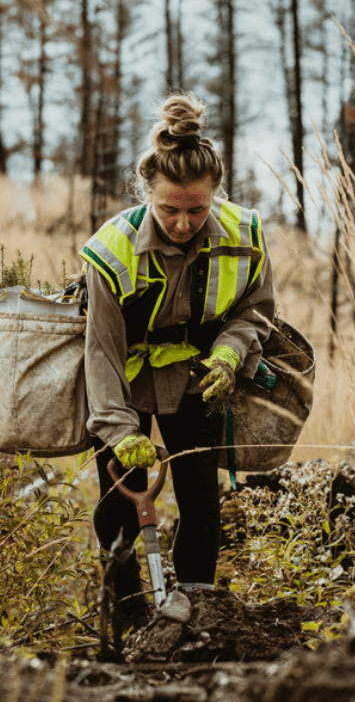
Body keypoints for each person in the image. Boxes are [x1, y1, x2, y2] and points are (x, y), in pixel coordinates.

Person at [78, 92, 274, 631]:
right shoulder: (111, 252)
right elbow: (102, 353)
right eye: (169, 209)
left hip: (198, 381)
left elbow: (256, 312)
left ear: (215, 194)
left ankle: (196, 617)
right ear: (146, 193)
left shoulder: (246, 237)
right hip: (126, 385)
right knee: (119, 506)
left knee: (201, 502)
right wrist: (118, 432)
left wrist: (230, 353)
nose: (183, 223)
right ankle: (123, 619)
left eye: (196, 209)